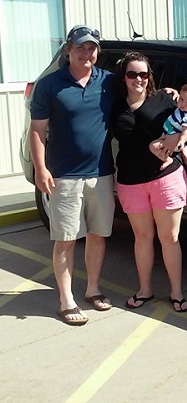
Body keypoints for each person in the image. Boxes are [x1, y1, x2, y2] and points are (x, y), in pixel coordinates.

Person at [29, 25, 115, 325]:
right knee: (65, 239)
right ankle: (66, 299)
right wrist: (41, 169)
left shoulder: (108, 82)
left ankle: (93, 289)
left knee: (98, 235)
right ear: (68, 50)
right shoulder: (50, 85)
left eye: (91, 47)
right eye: (80, 47)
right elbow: (38, 131)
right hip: (63, 176)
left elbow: (140, 95)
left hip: (102, 174)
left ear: (97, 51)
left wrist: (168, 95)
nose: (86, 52)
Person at [112, 51, 187, 313]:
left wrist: (179, 140)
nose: (138, 78)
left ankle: (176, 292)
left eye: (143, 73)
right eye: (132, 74)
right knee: (142, 236)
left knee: (169, 237)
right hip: (131, 180)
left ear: (149, 75)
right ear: (124, 77)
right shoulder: (114, 104)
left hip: (165, 177)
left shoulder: (165, 98)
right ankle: (145, 290)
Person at [149, 81, 187, 170]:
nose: (183, 104)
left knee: (153, 146)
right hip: (172, 135)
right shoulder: (185, 110)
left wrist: (181, 140)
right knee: (184, 147)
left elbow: (186, 129)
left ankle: (167, 159)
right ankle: (185, 156)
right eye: (181, 99)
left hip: (172, 139)